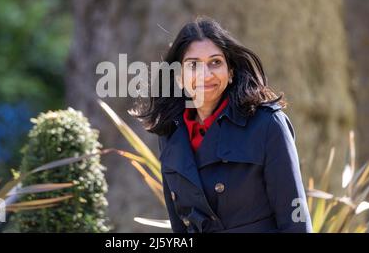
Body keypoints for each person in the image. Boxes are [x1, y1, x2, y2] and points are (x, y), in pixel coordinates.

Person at [131, 17, 313, 233]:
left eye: (215, 62)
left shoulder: (267, 124)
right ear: (179, 77)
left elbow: (295, 220)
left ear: (231, 73)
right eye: (193, 65)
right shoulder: (170, 133)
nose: (205, 75)